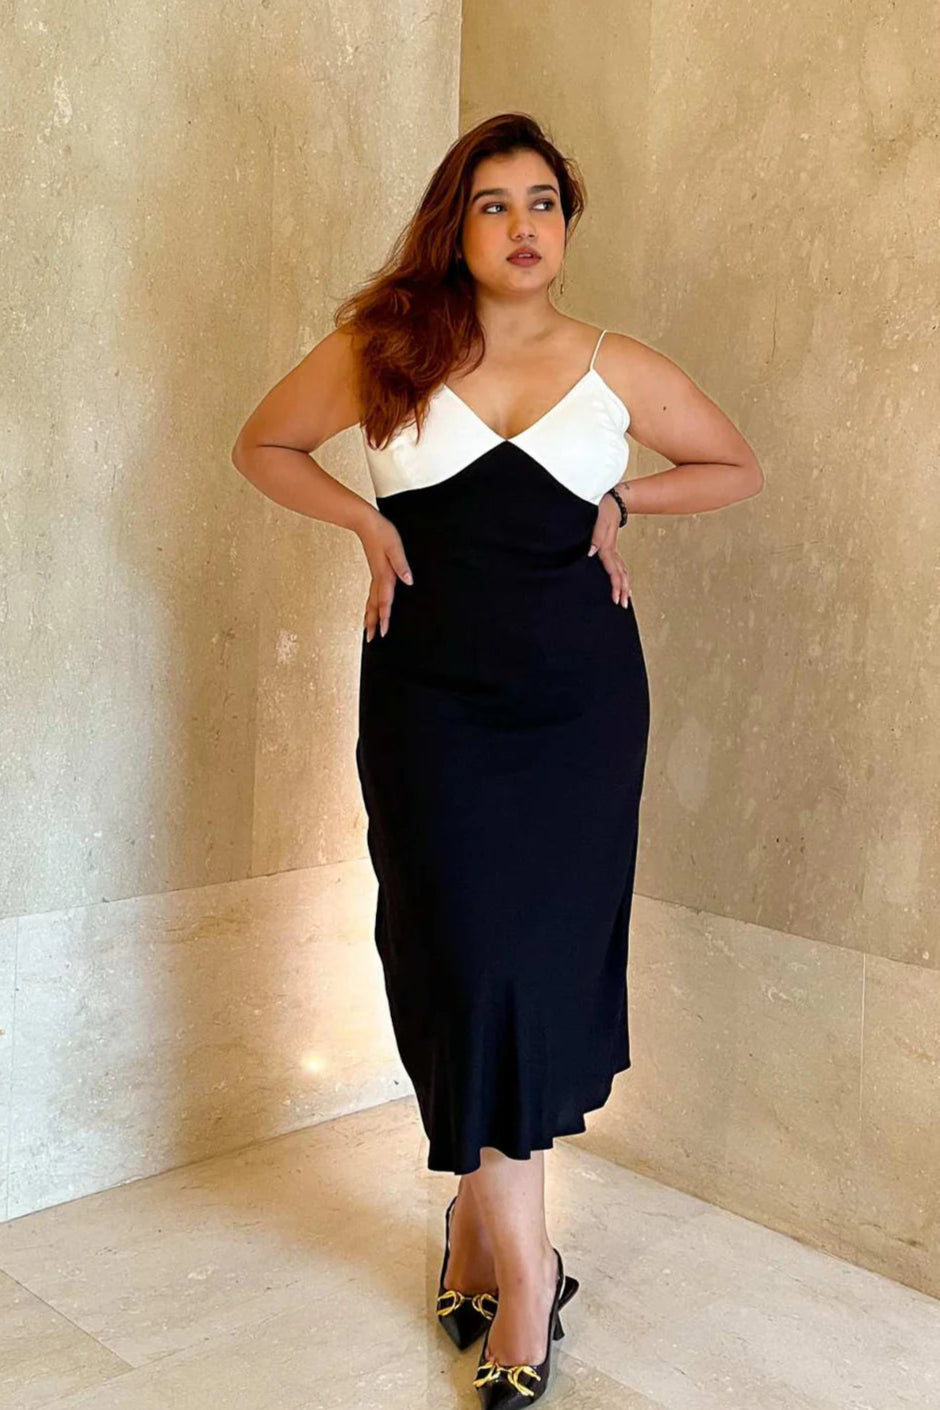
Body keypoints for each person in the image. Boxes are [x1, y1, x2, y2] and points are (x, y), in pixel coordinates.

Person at [232, 111, 763, 1408]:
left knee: (529, 967)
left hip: (578, 709)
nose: (524, 227)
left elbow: (733, 465)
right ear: (453, 225)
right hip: (430, 703)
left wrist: (626, 500)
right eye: (494, 204)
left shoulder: (616, 364)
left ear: (566, 225)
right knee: (457, 955)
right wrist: (362, 521)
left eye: (543, 203)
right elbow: (262, 443)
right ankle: (515, 1246)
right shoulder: (386, 348)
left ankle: (505, 1254)